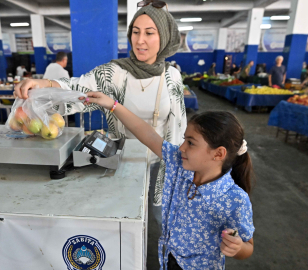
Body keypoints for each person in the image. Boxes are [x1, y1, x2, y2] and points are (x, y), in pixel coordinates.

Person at [15, 2, 186, 207]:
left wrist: (181, 165)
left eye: (149, 33)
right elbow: (78, 87)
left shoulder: (172, 77)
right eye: (135, 32)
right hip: (121, 161)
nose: (140, 41)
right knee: (125, 215)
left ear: (164, 37)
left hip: (161, 164)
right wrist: (43, 83)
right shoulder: (114, 73)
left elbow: (179, 125)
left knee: (158, 219)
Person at [82, 92, 255, 269]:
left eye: (191, 143)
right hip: (167, 260)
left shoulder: (235, 200)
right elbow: (147, 133)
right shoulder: (181, 164)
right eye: (184, 140)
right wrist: (112, 105)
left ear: (218, 153)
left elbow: (248, 247)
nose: (181, 147)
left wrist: (238, 247)